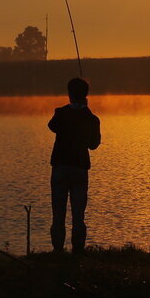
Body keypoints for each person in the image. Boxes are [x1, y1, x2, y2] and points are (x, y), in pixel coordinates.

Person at [48, 77, 101, 253]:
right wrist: (85, 111)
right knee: (78, 215)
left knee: (58, 214)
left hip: (60, 168)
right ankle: (77, 252)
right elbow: (93, 145)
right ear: (85, 95)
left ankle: (58, 251)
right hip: (79, 169)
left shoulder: (61, 113)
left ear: (70, 94)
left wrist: (69, 110)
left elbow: (52, 126)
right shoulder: (92, 119)